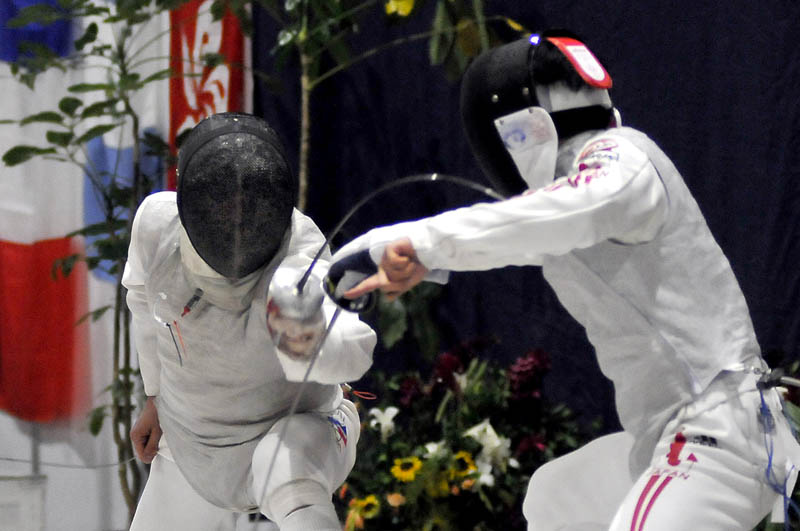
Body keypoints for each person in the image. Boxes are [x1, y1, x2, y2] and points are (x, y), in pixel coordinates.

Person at [331, 31, 800, 530]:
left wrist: (419, 244)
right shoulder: (577, 194)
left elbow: (554, 216)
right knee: (558, 496)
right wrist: (420, 258)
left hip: (718, 433)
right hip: (670, 435)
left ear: (522, 131)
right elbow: (526, 228)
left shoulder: (623, 161)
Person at [123, 112, 377, 531]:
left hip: (295, 435)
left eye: (246, 200)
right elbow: (143, 305)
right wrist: (153, 397)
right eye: (221, 199)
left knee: (284, 460)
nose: (234, 213)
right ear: (191, 195)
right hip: (191, 441)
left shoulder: (299, 257)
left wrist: (320, 338)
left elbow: (351, 357)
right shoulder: (157, 226)